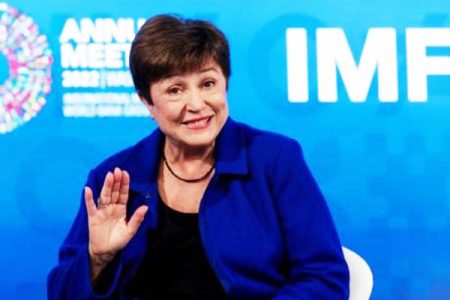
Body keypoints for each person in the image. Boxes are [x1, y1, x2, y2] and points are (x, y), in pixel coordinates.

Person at [48, 14, 349, 299]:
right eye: (175, 90)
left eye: (208, 84)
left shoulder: (275, 160)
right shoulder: (116, 178)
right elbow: (61, 295)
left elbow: (324, 277)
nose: (196, 104)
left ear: (225, 84)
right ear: (148, 102)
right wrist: (97, 259)